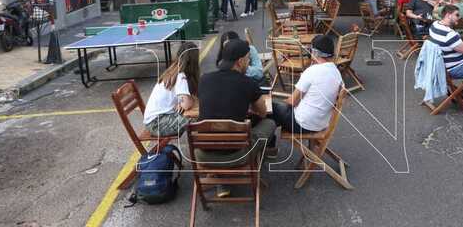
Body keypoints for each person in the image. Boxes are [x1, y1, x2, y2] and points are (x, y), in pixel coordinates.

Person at [197, 39, 276, 197]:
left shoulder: (204, 79)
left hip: (203, 154)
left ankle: (220, 178)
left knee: (219, 130)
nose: (248, 62)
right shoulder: (248, 83)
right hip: (238, 155)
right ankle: (262, 158)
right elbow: (261, 112)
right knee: (269, 123)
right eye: (247, 59)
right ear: (240, 62)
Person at [270, 35, 343, 141]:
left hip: (302, 124)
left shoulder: (312, 71)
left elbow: (292, 101)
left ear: (315, 52)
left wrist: (282, 104)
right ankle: (270, 145)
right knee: (277, 112)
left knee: (270, 108)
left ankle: (268, 146)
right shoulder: (337, 73)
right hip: (322, 123)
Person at [143, 42, 200, 136]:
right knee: (199, 116)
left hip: (155, 120)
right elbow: (187, 104)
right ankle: (204, 143)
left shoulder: (172, 70)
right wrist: (184, 101)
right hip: (157, 124)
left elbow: (185, 102)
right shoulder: (181, 77)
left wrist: (182, 102)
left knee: (193, 113)